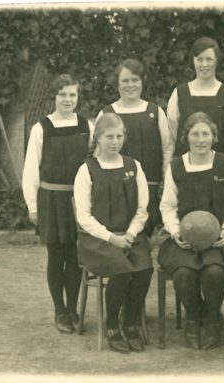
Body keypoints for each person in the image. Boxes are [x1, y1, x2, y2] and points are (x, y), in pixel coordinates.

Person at [158, 112, 224, 350]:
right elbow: (167, 206)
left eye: (205, 133)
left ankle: (213, 317)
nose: (200, 139)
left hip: (218, 240)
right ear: (186, 138)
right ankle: (193, 317)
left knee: (214, 273)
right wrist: (176, 232)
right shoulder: (176, 167)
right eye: (195, 134)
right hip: (185, 240)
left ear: (214, 137)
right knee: (184, 274)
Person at [73, 113, 153, 353]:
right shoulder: (86, 170)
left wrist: (130, 233)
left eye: (119, 136)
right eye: (109, 136)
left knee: (144, 267)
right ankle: (111, 326)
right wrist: (112, 237)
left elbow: (142, 209)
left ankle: (130, 324)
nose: (114, 142)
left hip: (129, 235)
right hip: (98, 241)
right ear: (97, 137)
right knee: (120, 268)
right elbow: (84, 217)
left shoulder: (133, 166)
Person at [22, 73, 94, 334]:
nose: (67, 99)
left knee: (75, 257)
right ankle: (59, 311)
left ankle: (74, 309)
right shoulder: (41, 128)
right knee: (56, 256)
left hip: (78, 200)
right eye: (62, 94)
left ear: (78, 98)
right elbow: (31, 169)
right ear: (54, 97)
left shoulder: (87, 126)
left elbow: (94, 164)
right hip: (51, 199)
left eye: (72, 95)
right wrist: (33, 206)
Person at [97, 58, 173, 236]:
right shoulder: (107, 113)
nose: (130, 85)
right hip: (115, 189)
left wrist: (165, 182)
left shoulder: (155, 112)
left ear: (142, 81)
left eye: (135, 80)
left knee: (144, 240)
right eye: (125, 80)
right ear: (117, 83)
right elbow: (98, 155)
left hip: (149, 186)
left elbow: (167, 149)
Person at [167, 36, 224, 157]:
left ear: (217, 60)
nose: (204, 64)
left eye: (209, 59)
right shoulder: (179, 93)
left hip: (219, 166)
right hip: (186, 166)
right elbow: (173, 132)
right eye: (199, 59)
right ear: (193, 61)